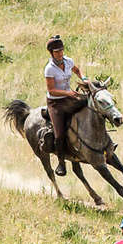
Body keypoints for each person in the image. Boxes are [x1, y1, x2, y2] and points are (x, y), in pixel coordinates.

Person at [43, 35, 89, 176]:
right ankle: (61, 163)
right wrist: (68, 93)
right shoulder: (49, 69)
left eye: (61, 50)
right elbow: (52, 90)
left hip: (70, 97)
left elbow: (77, 70)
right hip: (56, 102)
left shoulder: (68, 61)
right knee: (59, 134)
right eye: (57, 51)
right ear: (51, 53)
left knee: (90, 106)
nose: (60, 53)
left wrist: (84, 78)